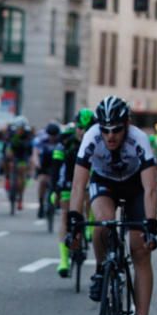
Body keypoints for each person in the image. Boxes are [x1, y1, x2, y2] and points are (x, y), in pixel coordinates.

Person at [68, 96, 157, 315]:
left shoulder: (139, 139)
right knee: (102, 223)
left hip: (135, 187)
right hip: (105, 183)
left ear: (126, 124)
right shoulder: (91, 137)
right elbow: (77, 185)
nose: (110, 136)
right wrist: (74, 219)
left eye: (116, 129)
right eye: (105, 129)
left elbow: (150, 188)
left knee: (140, 249)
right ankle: (100, 270)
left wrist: (151, 224)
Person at [55, 109, 94, 278]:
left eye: (87, 128)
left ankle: (89, 227)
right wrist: (54, 189)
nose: (83, 132)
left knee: (90, 198)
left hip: (90, 178)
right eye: (80, 127)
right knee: (65, 214)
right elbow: (55, 167)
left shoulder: (98, 139)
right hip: (68, 179)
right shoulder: (65, 139)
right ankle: (63, 260)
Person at [32, 122, 61, 219]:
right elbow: (35, 154)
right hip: (44, 164)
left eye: (54, 136)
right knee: (42, 181)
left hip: (57, 164)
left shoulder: (61, 140)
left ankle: (56, 203)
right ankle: (41, 204)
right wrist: (37, 163)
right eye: (50, 136)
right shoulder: (41, 140)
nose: (52, 138)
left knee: (60, 183)